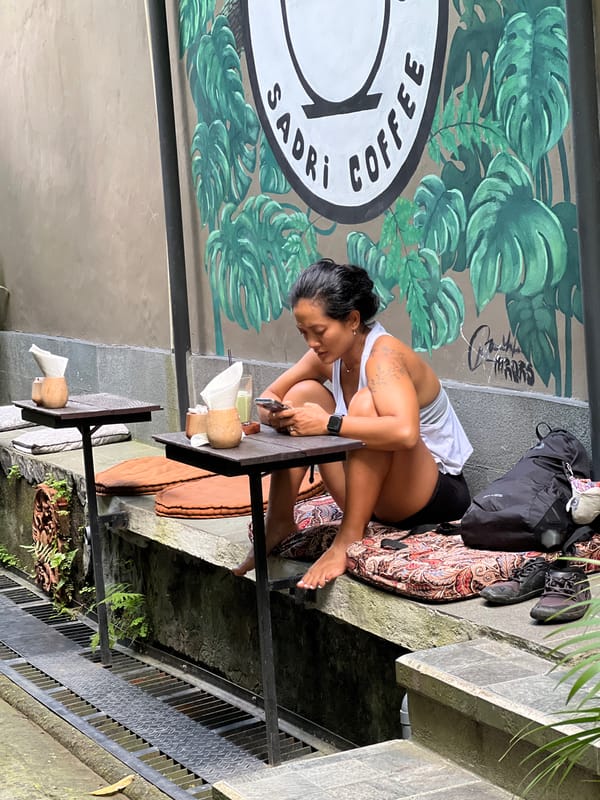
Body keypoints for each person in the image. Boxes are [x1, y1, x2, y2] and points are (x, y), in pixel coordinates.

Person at [233, 259, 473, 590]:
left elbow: (405, 433)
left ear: (352, 320)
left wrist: (328, 423)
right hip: (373, 495)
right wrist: (279, 414)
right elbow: (270, 395)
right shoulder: (328, 354)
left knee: (365, 405)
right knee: (301, 394)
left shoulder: (383, 356)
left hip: (432, 495)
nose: (312, 343)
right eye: (304, 333)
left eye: (319, 332)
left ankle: (349, 536)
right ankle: (279, 520)